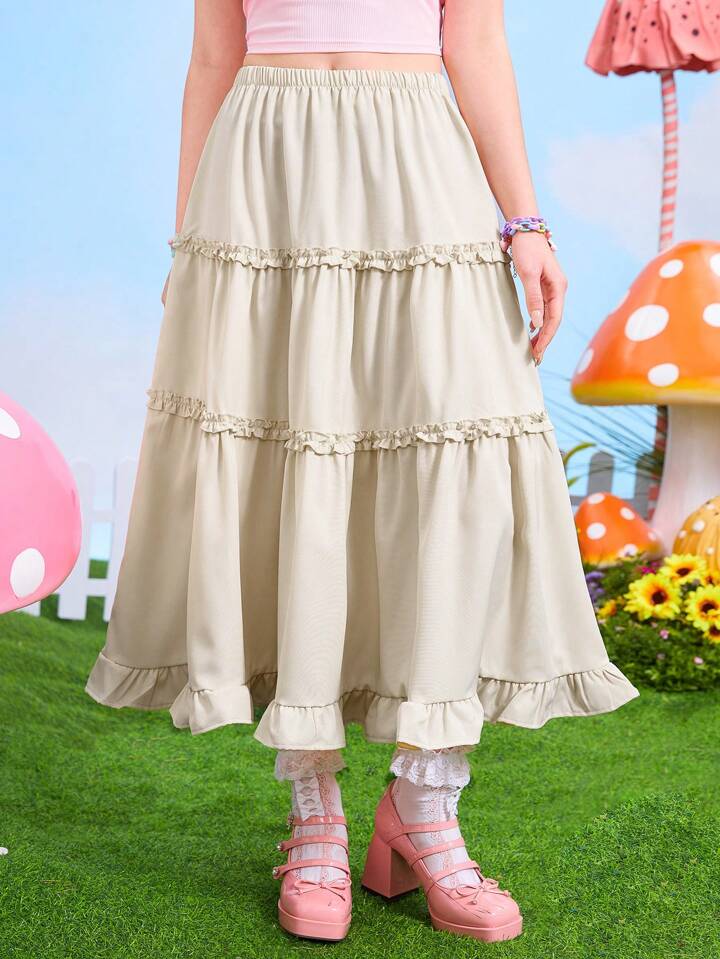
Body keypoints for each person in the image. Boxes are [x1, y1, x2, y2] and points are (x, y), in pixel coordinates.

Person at [85, 0, 639, 943]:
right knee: (288, 460)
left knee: (452, 462)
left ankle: (425, 804)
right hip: (264, 172)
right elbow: (215, 53)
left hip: (419, 163)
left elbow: (475, 41)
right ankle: (315, 808)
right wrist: (193, 242)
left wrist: (526, 223)